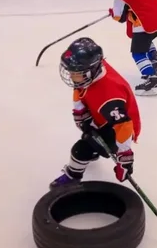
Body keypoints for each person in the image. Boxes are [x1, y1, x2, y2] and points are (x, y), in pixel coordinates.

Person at [50, 37, 140, 189]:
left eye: (75, 73)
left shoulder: (110, 96)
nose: (71, 76)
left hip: (118, 127)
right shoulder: (89, 72)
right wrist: (81, 111)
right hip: (105, 116)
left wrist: (125, 158)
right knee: (89, 135)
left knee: (81, 150)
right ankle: (94, 151)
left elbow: (123, 126)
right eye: (71, 72)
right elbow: (79, 89)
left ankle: (73, 176)